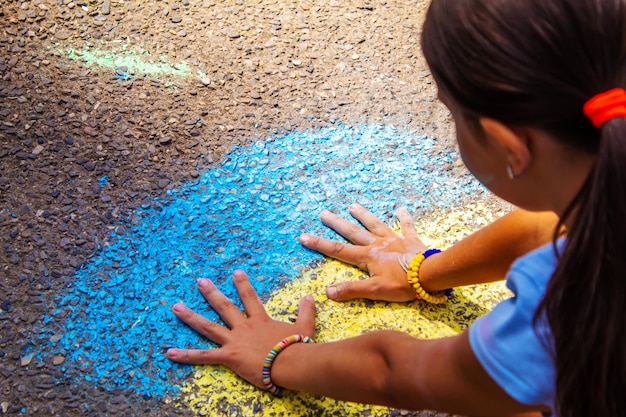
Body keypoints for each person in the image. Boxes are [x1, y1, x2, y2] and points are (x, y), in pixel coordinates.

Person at [167, 0, 626, 415]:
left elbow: (393, 374)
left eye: (452, 113)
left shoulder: (572, 313)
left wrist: (280, 356)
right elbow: (546, 227)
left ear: (510, 145)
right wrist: (423, 272)